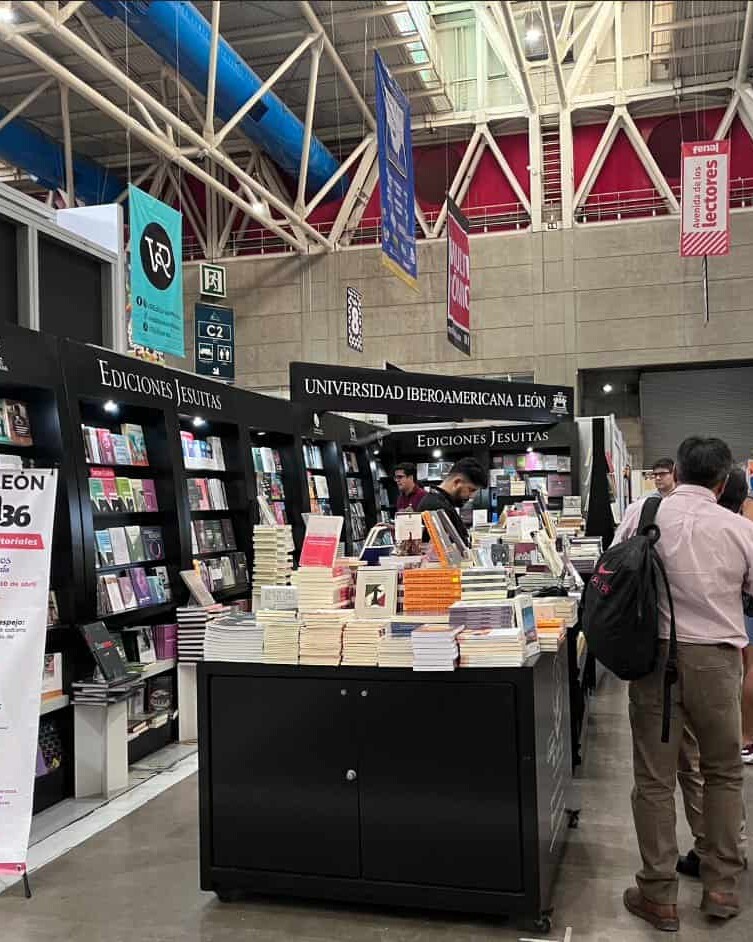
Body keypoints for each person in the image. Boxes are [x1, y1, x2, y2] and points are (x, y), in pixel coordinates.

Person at [615, 437, 753, 931]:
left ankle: (658, 896)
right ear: (723, 481)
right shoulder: (740, 529)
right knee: (723, 774)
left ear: (677, 469)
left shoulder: (643, 514)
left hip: (654, 659)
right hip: (718, 663)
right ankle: (720, 887)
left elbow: (612, 573)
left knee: (654, 779)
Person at [675, 468, 750, 881]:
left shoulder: (655, 515)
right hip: (721, 655)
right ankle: (724, 858)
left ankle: (709, 851)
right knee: (722, 767)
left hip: (664, 656)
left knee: (682, 767)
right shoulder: (738, 529)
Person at [417, 456, 487, 547]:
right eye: (471, 490)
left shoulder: (440, 501)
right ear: (457, 482)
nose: (471, 496)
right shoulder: (437, 507)